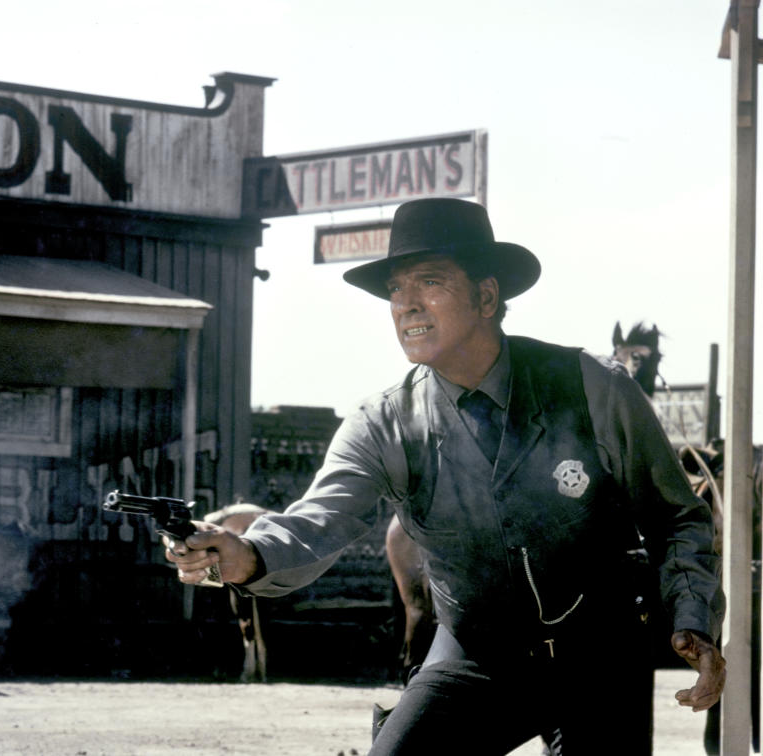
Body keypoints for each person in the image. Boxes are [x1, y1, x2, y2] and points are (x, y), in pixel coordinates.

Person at [165, 198, 726, 754]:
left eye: (429, 282)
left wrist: (693, 619)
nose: (406, 305)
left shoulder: (591, 387)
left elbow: (676, 516)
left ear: (486, 296)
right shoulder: (385, 423)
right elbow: (318, 521)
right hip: (476, 656)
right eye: (394, 290)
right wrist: (244, 555)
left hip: (598, 657)